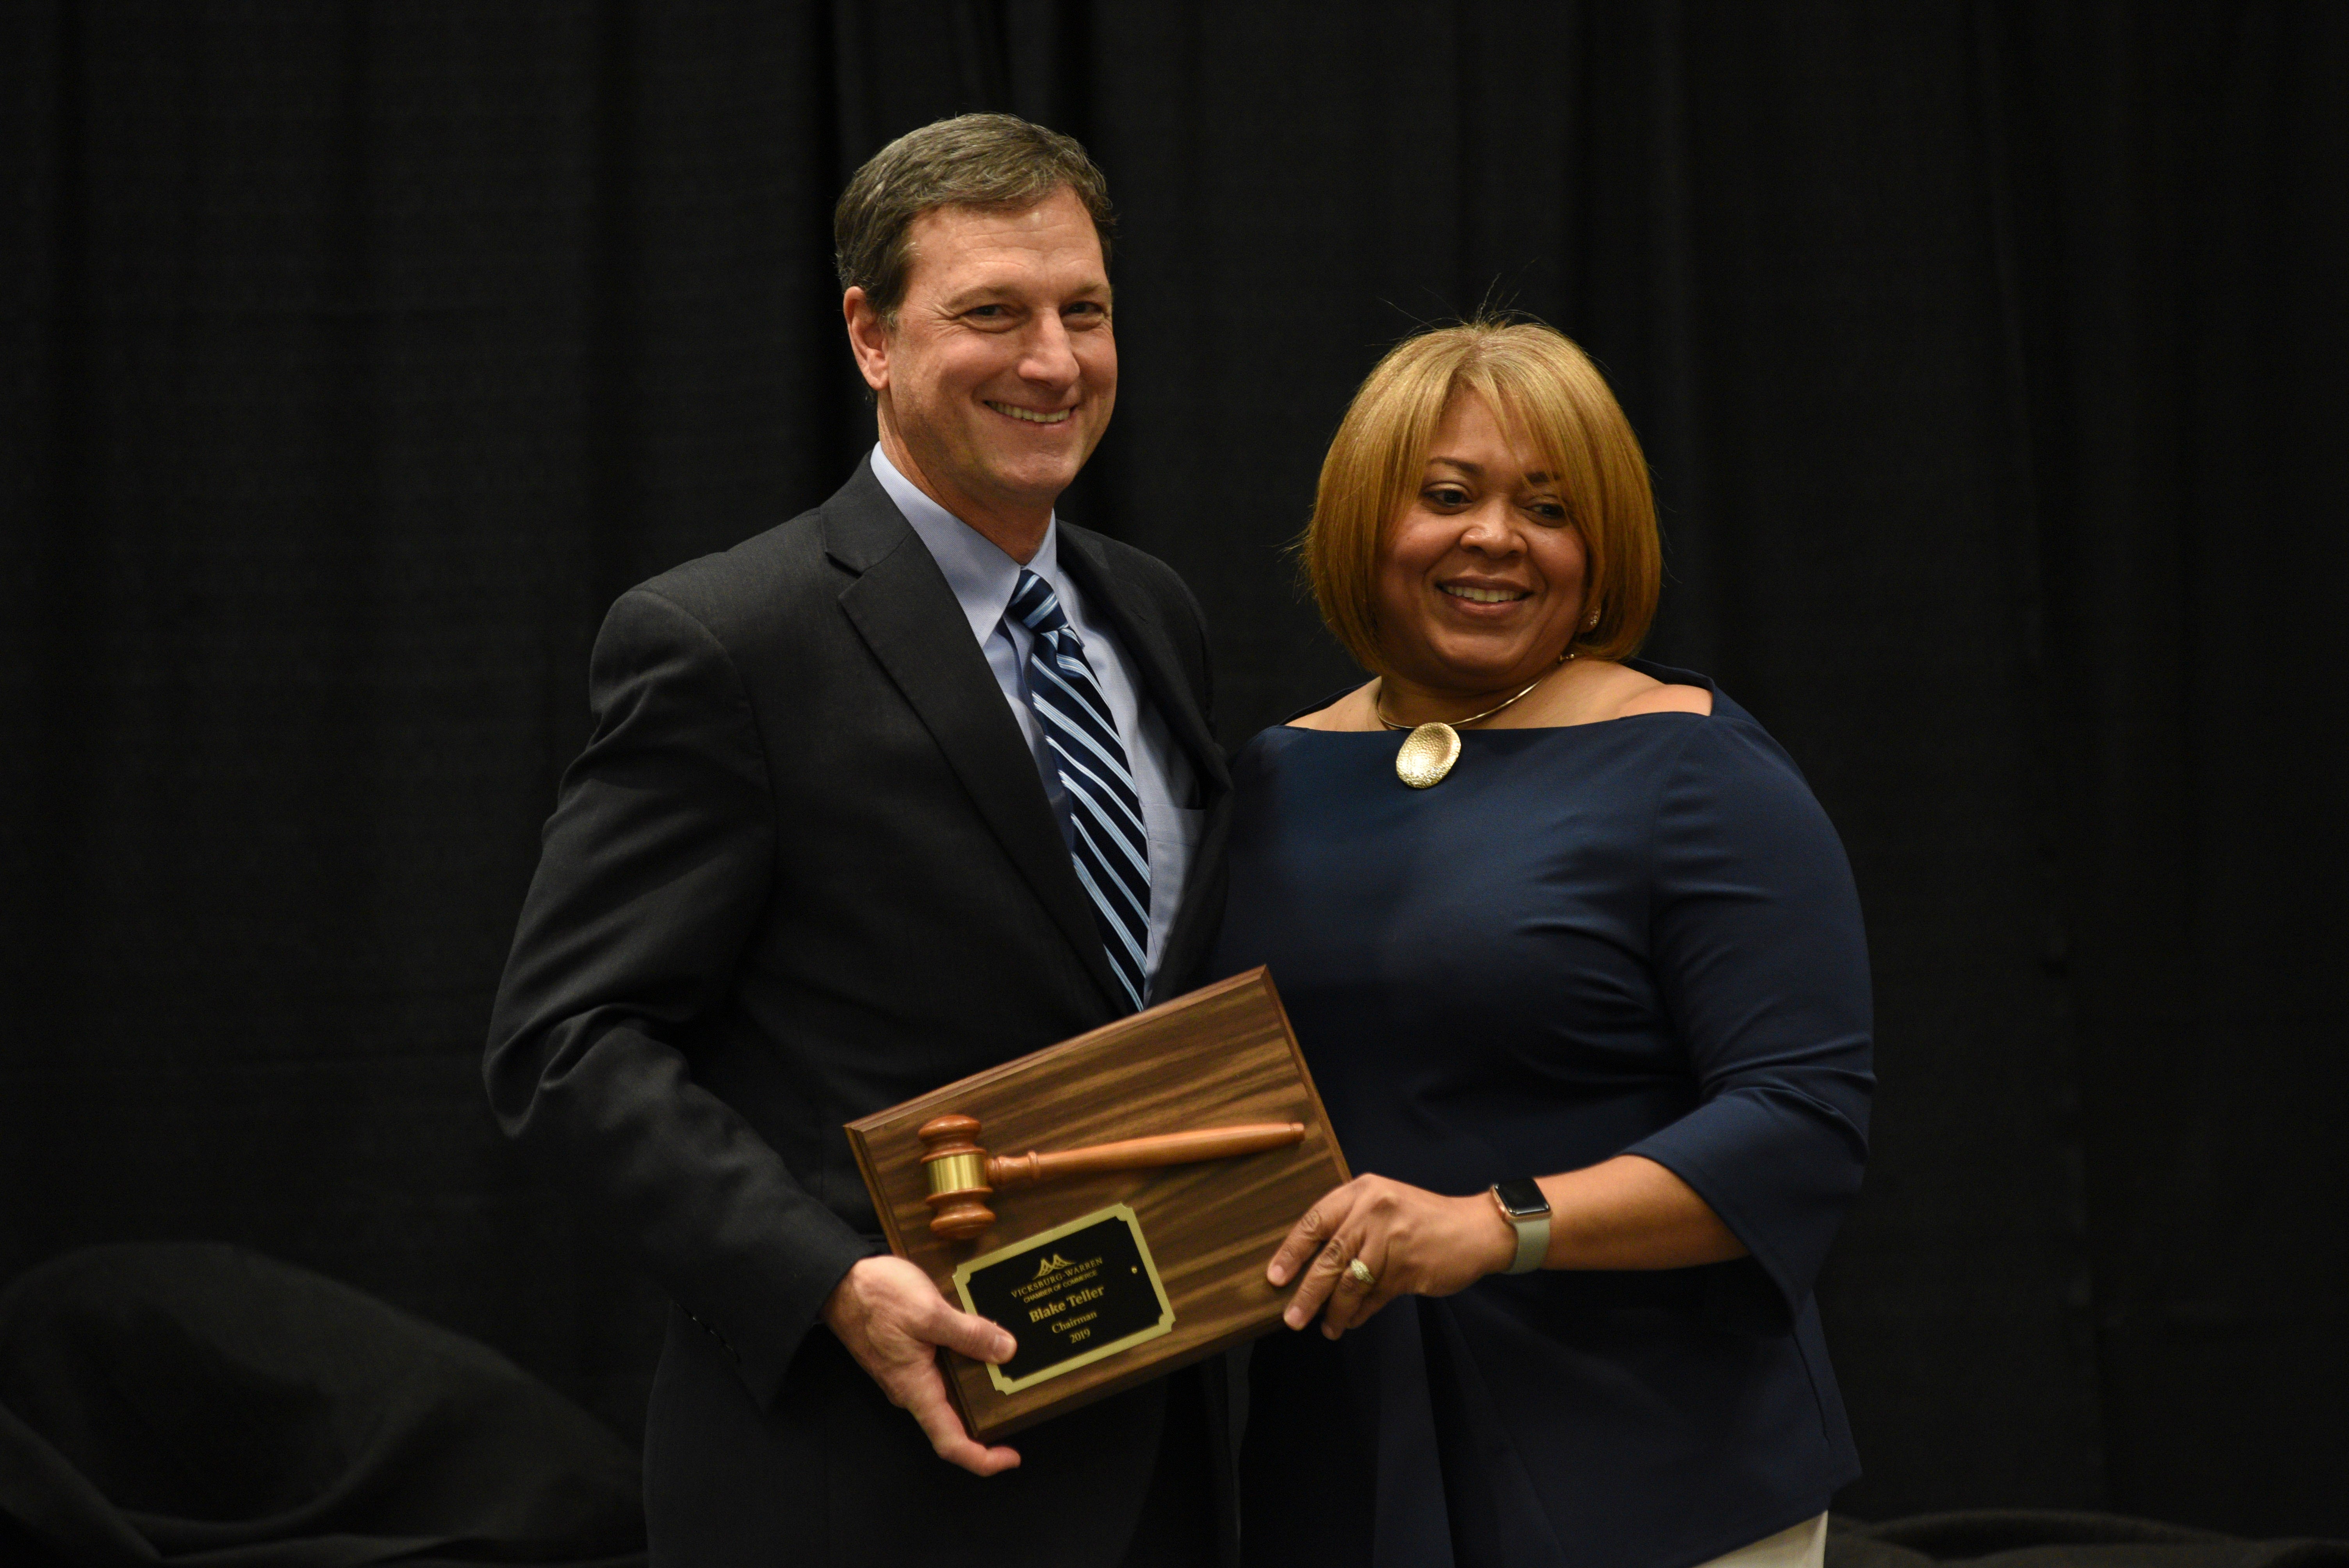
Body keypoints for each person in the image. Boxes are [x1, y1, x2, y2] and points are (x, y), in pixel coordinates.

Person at [485, 115, 1232, 1568]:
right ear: (871, 335)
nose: (1054, 361)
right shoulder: (723, 640)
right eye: (992, 314)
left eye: (1085, 310)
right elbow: (568, 1043)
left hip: (1156, 1454)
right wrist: (827, 1281)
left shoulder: (1153, 614)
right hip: (863, 1469)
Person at [1212, 319, 1873, 1568]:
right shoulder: (1274, 777)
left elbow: (1802, 1123)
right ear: (1366, 521)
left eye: (1550, 508)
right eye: (1448, 496)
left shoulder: (1695, 765)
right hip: (1346, 1470)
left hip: (1653, 1467)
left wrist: (1495, 1224)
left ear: (1600, 545)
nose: (1497, 539)